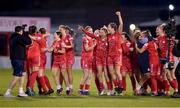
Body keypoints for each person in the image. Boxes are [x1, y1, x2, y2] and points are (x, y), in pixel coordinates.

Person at [4, 26, 32, 97]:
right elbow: (29, 41)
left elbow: (23, 43)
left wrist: (23, 32)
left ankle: (21, 91)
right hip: (18, 59)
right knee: (17, 75)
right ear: (21, 31)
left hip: (17, 59)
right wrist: (26, 34)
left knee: (23, 73)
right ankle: (8, 92)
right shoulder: (19, 37)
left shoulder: (12, 36)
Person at [49, 27, 71, 95]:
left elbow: (63, 51)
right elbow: (51, 49)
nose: (54, 35)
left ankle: (67, 88)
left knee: (64, 75)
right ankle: (59, 87)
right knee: (53, 74)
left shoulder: (62, 42)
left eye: (55, 34)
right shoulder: (54, 42)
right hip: (55, 61)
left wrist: (57, 50)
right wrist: (48, 49)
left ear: (58, 35)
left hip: (62, 60)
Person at [78, 26, 96, 95]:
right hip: (85, 58)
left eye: (92, 31)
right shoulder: (84, 38)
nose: (91, 32)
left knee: (90, 75)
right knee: (85, 75)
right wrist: (94, 45)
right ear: (87, 31)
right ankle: (80, 90)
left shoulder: (92, 39)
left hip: (90, 58)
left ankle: (86, 90)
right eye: (90, 31)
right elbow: (87, 49)